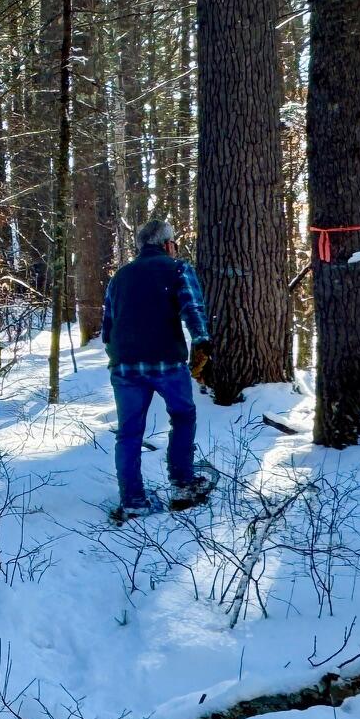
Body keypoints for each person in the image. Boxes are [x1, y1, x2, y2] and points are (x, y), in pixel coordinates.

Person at [103, 218, 213, 518]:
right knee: (183, 416)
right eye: (174, 243)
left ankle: (133, 501)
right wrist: (202, 344)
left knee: (129, 432)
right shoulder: (177, 268)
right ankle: (182, 485)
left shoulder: (119, 277)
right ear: (167, 244)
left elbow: (107, 328)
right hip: (166, 362)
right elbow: (194, 310)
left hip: (124, 366)